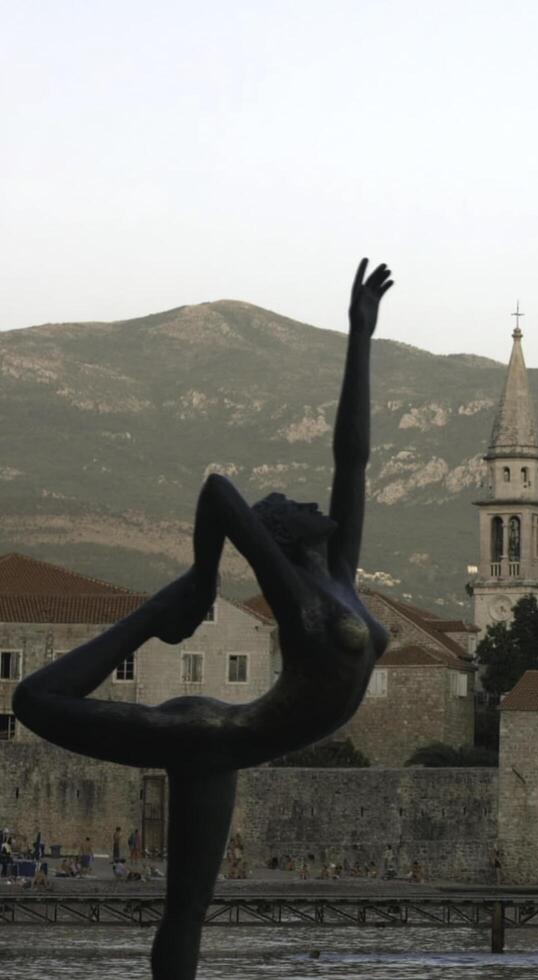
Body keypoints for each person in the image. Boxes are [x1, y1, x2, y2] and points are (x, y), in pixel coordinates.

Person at [10, 260, 395, 980]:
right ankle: (155, 613)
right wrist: (201, 582)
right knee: (30, 701)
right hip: (205, 735)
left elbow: (354, 455)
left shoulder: (338, 579)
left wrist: (359, 337)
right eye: (292, 503)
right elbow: (219, 492)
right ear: (279, 533)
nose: (315, 503)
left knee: (189, 908)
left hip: (225, 741)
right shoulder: (298, 599)